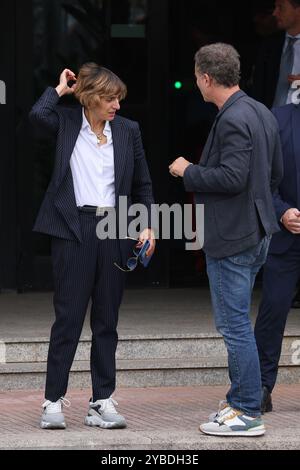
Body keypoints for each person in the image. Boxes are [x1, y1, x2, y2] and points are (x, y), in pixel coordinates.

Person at [29, 63, 155, 430]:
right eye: (108, 97)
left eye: (119, 98)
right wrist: (59, 89)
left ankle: (101, 401)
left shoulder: (128, 130)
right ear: (89, 98)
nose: (116, 104)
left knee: (107, 320)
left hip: (115, 228)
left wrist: (148, 225)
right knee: (68, 318)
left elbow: (144, 184)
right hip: (73, 226)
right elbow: (37, 117)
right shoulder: (67, 122)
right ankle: (52, 401)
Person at [169, 43, 283, 437]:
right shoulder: (261, 112)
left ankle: (247, 410)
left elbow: (232, 178)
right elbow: (274, 175)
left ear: (205, 77)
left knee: (234, 326)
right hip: (257, 231)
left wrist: (189, 171)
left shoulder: (234, 118)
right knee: (238, 324)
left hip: (234, 237)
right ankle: (240, 401)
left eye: (196, 77)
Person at [254, 103, 300, 413]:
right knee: (273, 311)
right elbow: (260, 178)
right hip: (287, 239)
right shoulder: (277, 119)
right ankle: (259, 386)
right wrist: (282, 212)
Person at [253, 0, 300, 108]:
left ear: (298, 10)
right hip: (270, 120)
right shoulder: (269, 45)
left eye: (281, 7)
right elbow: (258, 89)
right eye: (275, 7)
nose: (275, 13)